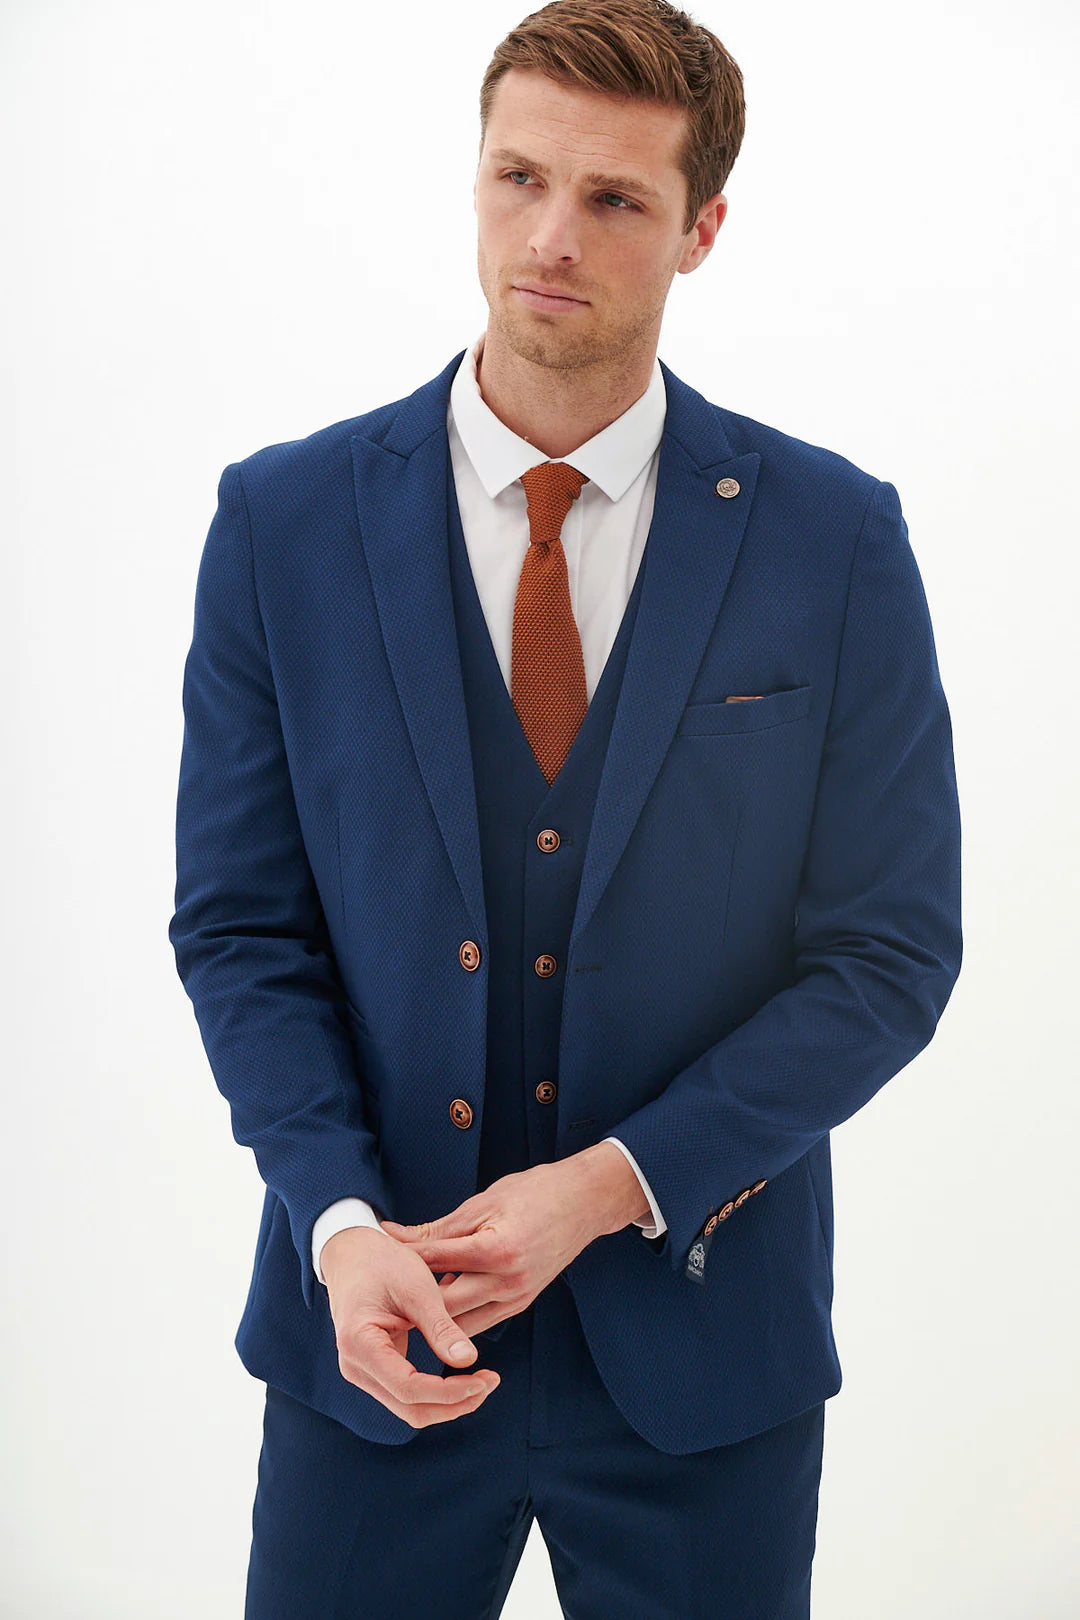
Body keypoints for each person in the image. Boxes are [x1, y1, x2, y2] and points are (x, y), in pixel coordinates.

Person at [168, 1, 963, 1613]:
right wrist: (335, 1225)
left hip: (703, 1354)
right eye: (517, 178)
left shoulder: (834, 540)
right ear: (474, 177)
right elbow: (242, 927)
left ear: (701, 230)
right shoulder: (283, 523)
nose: (550, 236)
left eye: (614, 200)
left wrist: (608, 1186)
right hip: (372, 1341)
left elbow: (889, 955)